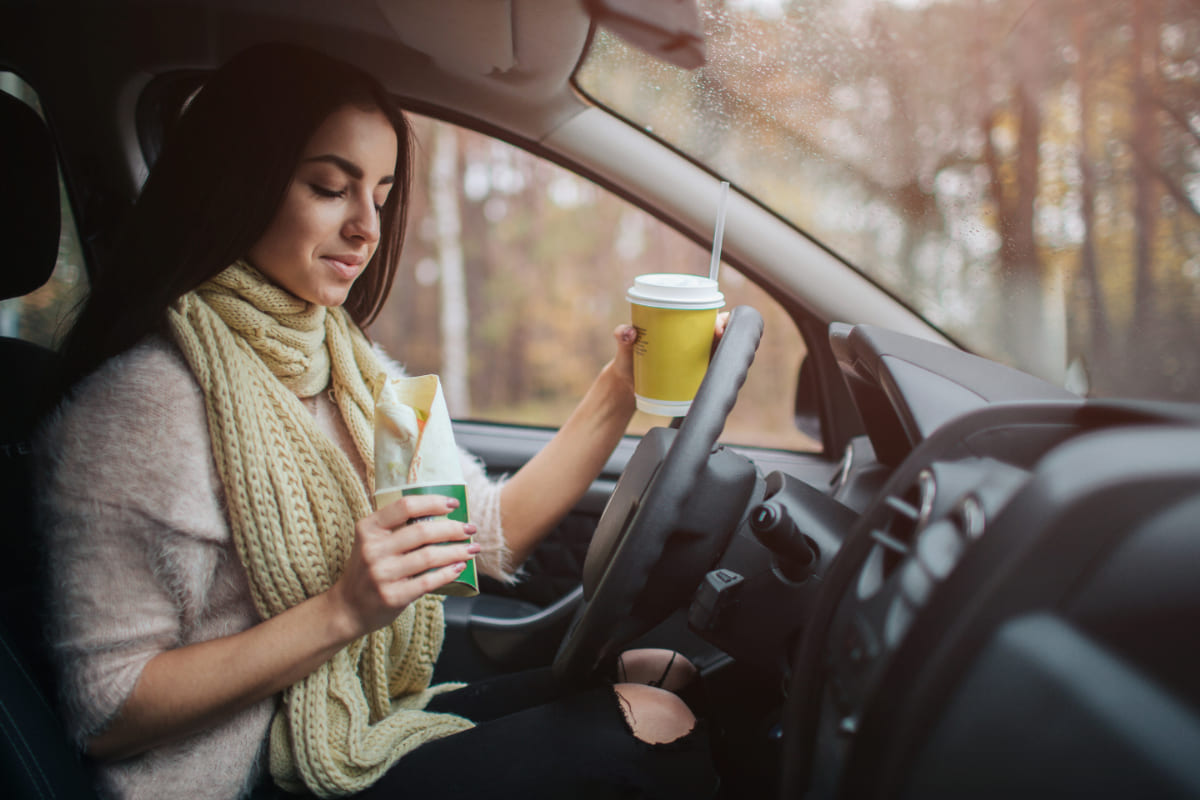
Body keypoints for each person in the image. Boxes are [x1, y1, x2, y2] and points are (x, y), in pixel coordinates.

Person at [37, 43, 720, 800]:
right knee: (651, 721)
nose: (367, 225)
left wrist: (619, 391)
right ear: (240, 185)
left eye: (383, 194)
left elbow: (481, 534)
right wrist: (343, 610)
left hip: (348, 718)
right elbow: (106, 708)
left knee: (667, 676)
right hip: (236, 780)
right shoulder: (137, 409)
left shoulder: (346, 365)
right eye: (331, 187)